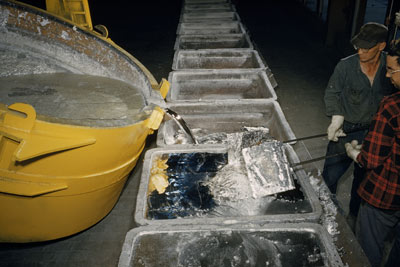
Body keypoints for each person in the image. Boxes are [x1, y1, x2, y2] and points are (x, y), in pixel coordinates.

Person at [323, 22, 394, 229]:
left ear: (381, 46)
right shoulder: (346, 66)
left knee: (363, 181)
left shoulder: (389, 69)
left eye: (366, 48)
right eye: (358, 47)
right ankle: (325, 212)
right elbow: (332, 92)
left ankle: (353, 216)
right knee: (330, 175)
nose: (360, 51)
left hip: (375, 133)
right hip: (346, 130)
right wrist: (337, 117)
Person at [345, 40, 400, 267]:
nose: (387, 76)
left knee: (367, 251)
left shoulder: (391, 106)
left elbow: (371, 159)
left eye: (391, 70)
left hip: (385, 195)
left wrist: (354, 152)